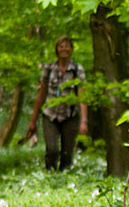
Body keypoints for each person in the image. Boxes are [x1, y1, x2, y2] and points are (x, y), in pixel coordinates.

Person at [19, 35, 88, 171]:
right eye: (61, 46)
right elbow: (41, 94)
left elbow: (82, 95)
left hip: (70, 116)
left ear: (71, 49)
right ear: (56, 49)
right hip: (50, 115)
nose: (64, 49)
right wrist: (33, 119)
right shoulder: (49, 68)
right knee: (52, 149)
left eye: (67, 46)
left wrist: (84, 121)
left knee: (67, 154)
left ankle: (63, 180)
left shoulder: (77, 70)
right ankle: (49, 174)